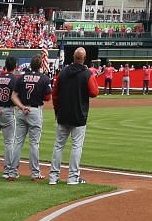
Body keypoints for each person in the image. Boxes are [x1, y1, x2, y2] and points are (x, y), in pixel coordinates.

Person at [49, 46, 98, 186]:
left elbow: (55, 94)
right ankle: (73, 177)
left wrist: (56, 111)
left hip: (63, 114)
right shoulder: (87, 73)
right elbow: (94, 92)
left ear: (73, 57)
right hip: (78, 115)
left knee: (58, 146)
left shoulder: (62, 73)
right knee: (76, 146)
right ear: (84, 58)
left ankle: (53, 177)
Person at [9, 56, 50, 181]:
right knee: (34, 144)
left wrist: (21, 107)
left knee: (17, 143)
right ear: (40, 66)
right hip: (35, 110)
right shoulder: (43, 78)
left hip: (22, 110)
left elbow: (13, 96)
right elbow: (47, 97)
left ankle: (12, 172)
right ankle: (34, 173)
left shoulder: (21, 77)